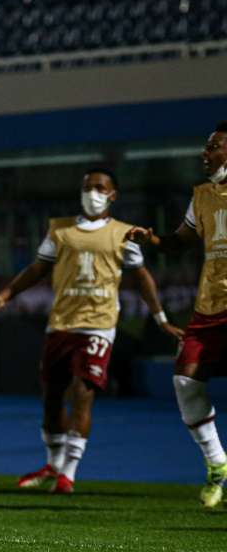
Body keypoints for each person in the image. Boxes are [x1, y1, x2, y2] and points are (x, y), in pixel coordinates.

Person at [0, 168, 182, 494]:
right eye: (88, 187)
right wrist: (4, 297)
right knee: (51, 396)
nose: (93, 192)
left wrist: (160, 318)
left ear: (113, 195)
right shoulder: (60, 229)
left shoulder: (124, 233)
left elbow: (142, 276)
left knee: (82, 392)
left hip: (99, 325)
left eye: (100, 187)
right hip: (61, 322)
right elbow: (37, 269)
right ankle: (53, 464)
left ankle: (68, 473)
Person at [127, 122, 227, 508]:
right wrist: (152, 240)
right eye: (206, 146)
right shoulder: (202, 195)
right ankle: (217, 465)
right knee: (185, 381)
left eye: (214, 146)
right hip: (209, 306)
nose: (206, 153)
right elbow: (180, 242)